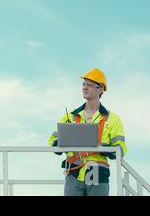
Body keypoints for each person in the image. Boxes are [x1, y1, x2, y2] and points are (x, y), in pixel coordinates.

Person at [48, 68, 127, 196]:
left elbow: (120, 150)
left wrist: (102, 147)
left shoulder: (113, 119)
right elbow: (53, 143)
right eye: (84, 84)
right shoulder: (70, 116)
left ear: (100, 89)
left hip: (98, 173)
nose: (84, 88)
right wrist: (62, 142)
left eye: (89, 85)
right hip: (73, 173)